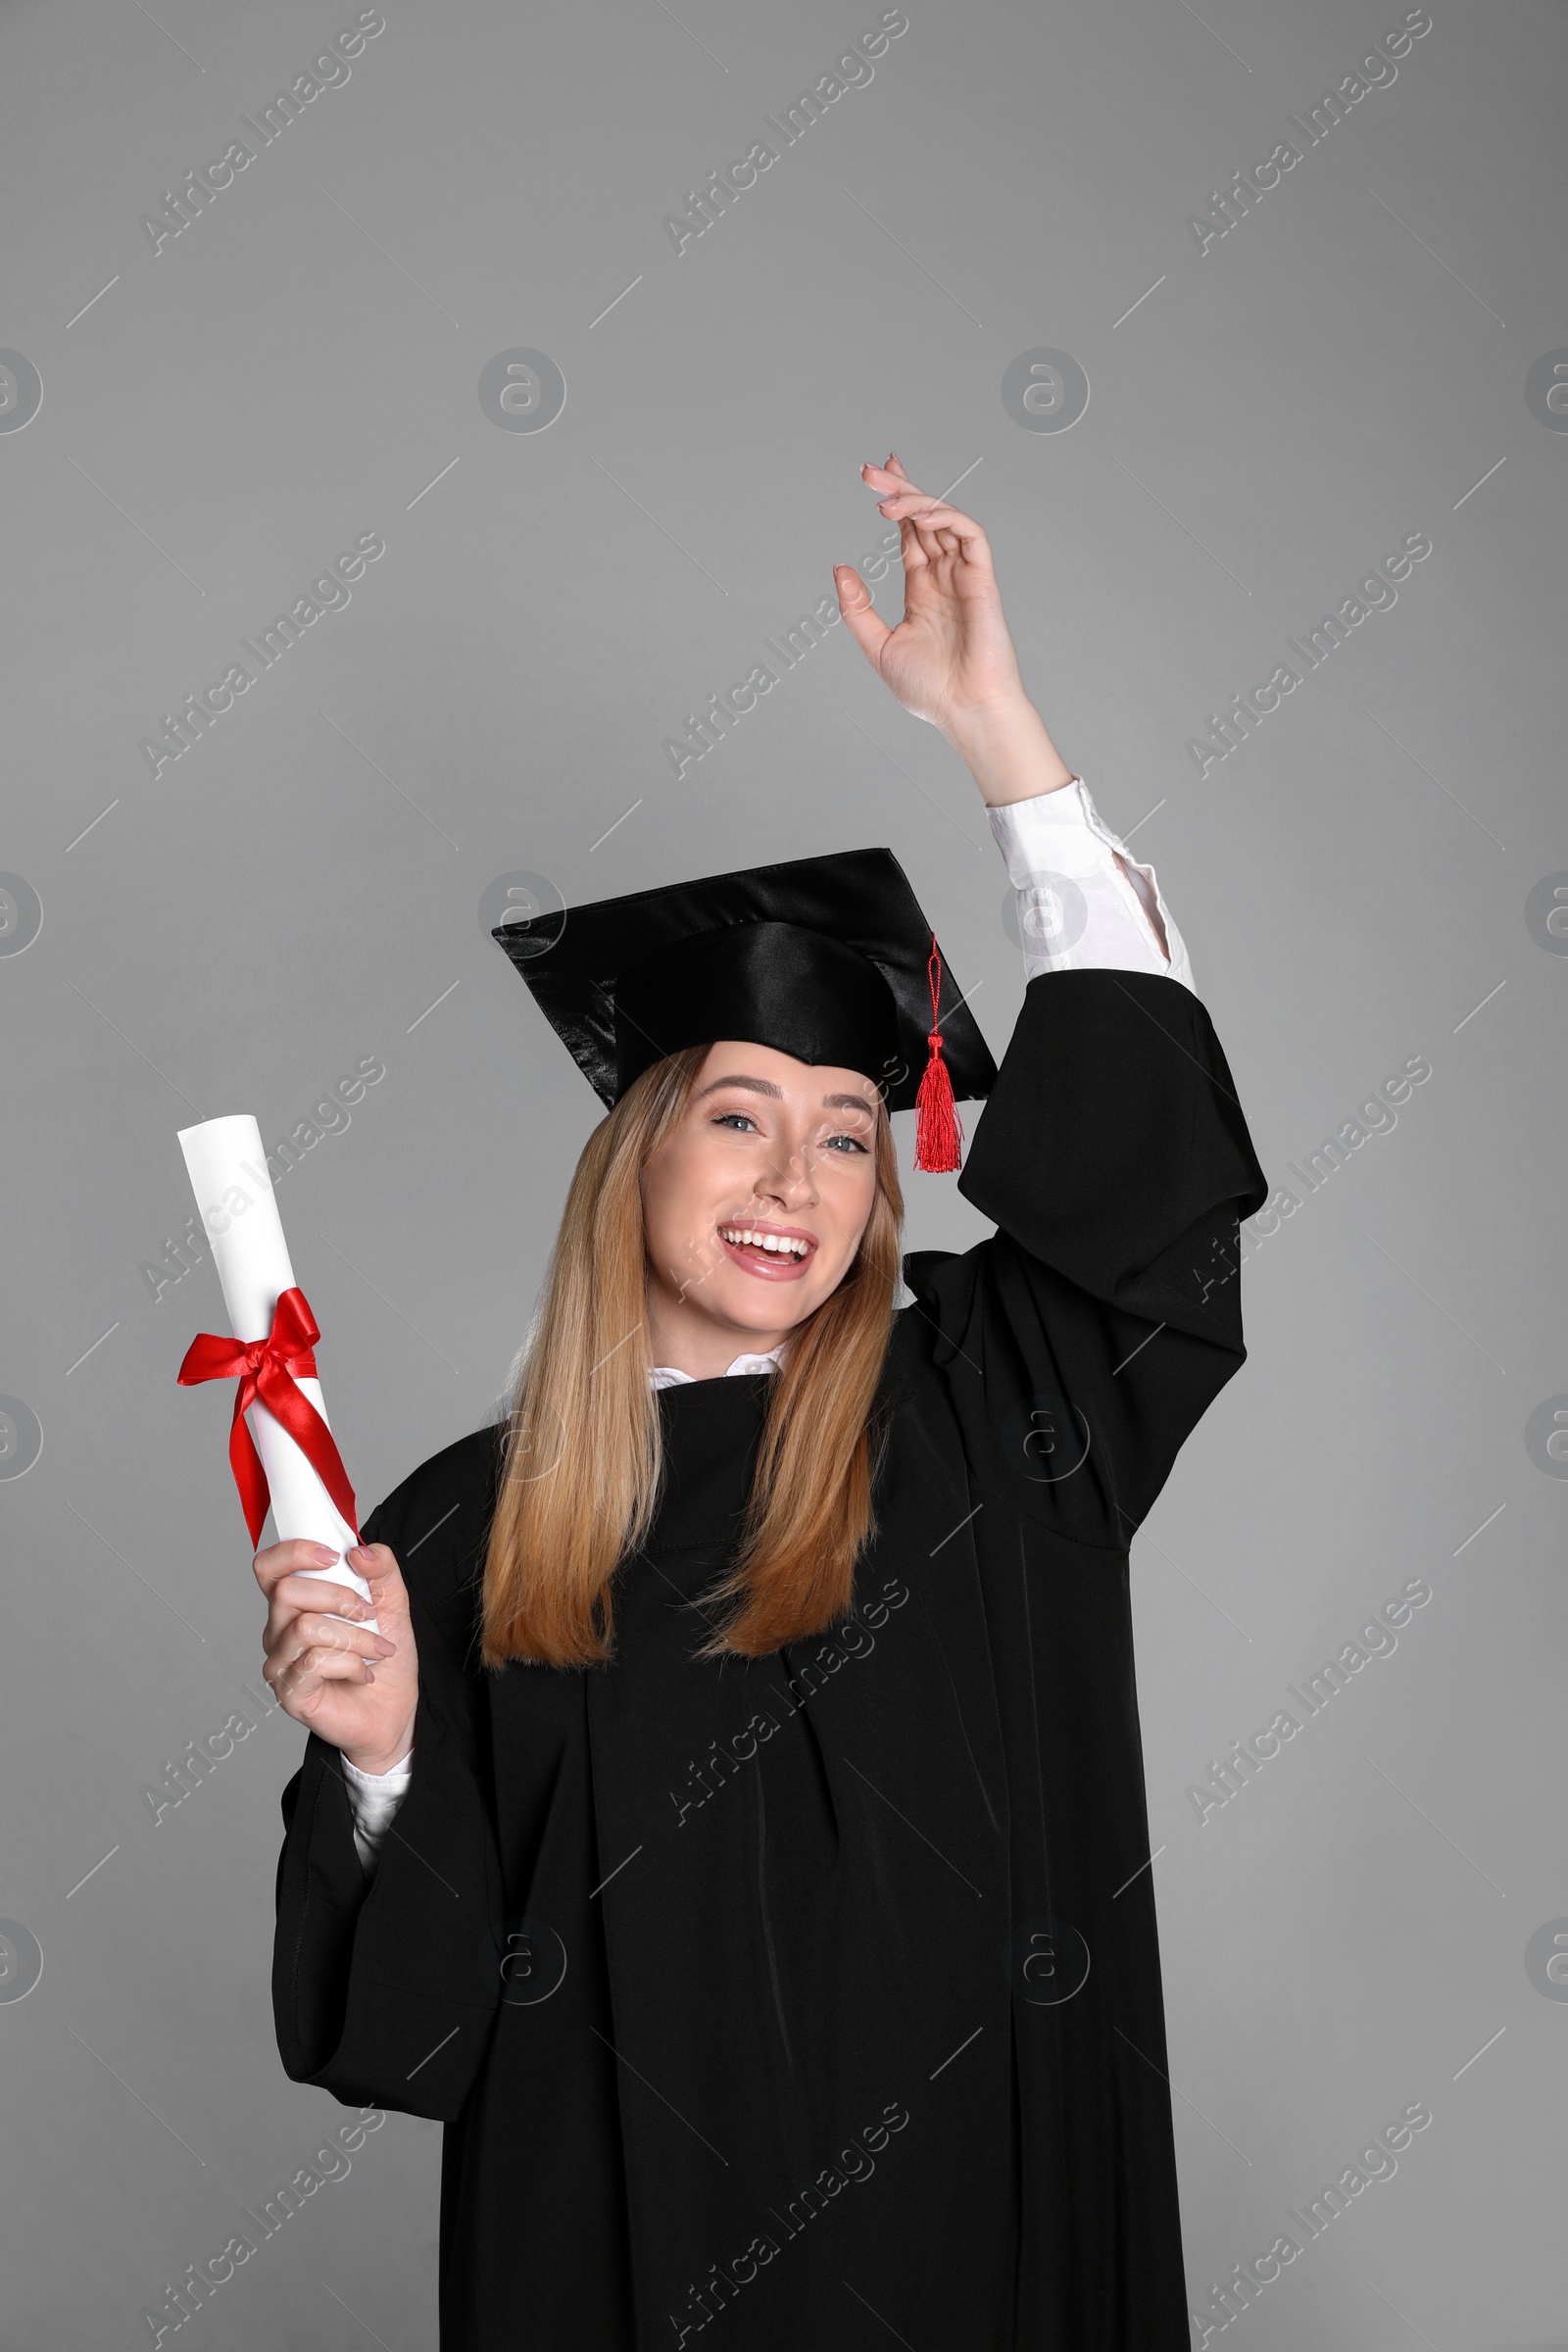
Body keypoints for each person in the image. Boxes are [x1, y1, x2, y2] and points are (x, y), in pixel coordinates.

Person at [256, 455, 1267, 2350]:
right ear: (636, 1154)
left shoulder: (989, 1405)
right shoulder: (461, 1528)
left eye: (847, 1135)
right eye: (738, 1118)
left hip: (990, 2261)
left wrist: (1000, 739)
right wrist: (382, 1765)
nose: (794, 1183)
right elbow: (414, 2035)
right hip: (622, 2282)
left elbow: (1156, 1196)